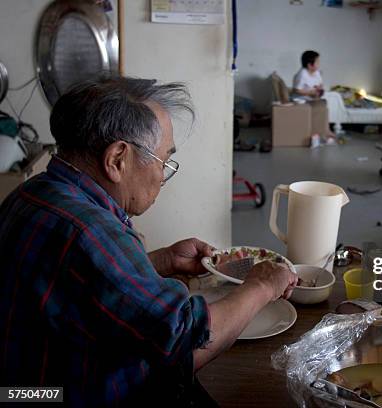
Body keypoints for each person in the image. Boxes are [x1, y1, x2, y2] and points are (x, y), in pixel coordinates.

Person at [0, 76, 297, 406]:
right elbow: (186, 345)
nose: (162, 177)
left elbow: (75, 285)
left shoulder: (32, 193)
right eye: (164, 161)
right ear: (117, 160)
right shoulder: (93, 231)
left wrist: (159, 262)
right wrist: (262, 285)